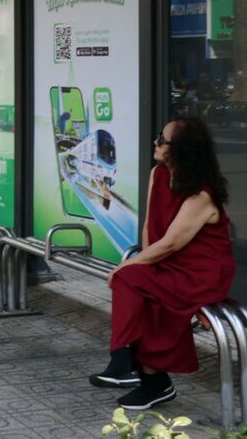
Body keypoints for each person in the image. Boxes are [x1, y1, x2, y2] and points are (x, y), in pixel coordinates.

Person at [89, 117, 235, 411]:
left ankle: (125, 361)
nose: (155, 143)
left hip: (200, 274)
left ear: (182, 150)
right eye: (158, 137)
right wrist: (145, 264)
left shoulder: (201, 195)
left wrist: (128, 267)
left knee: (128, 278)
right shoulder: (158, 173)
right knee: (139, 290)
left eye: (162, 140)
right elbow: (150, 227)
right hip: (169, 263)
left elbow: (171, 243)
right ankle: (151, 380)